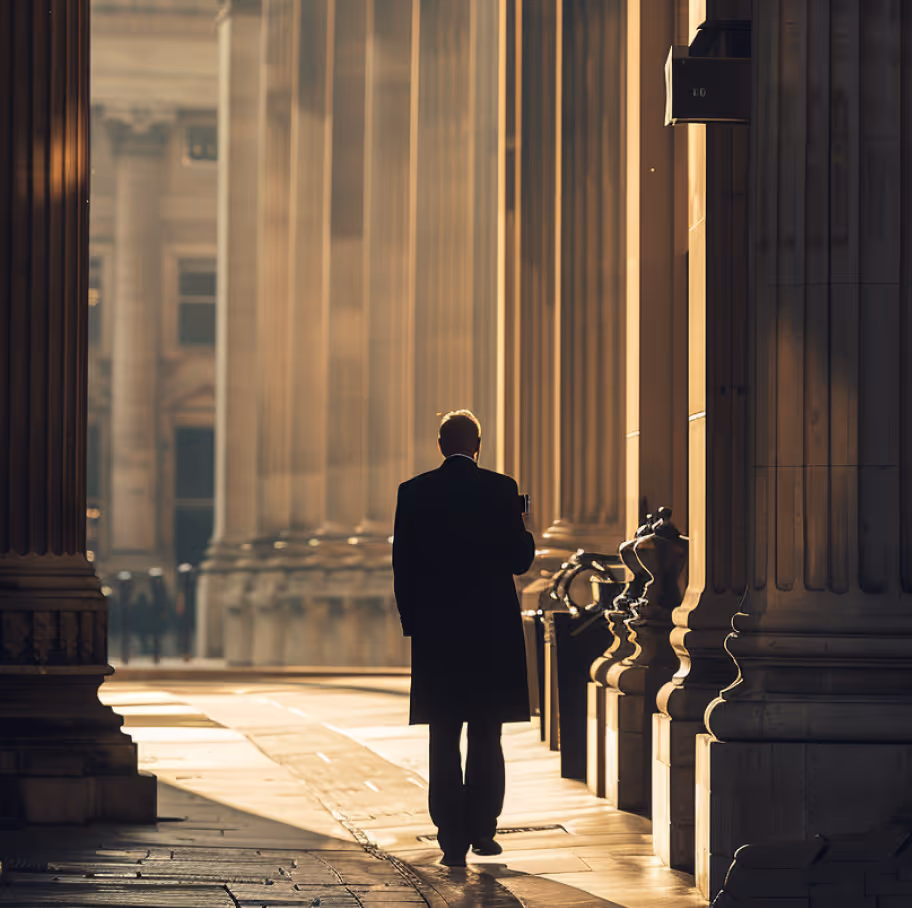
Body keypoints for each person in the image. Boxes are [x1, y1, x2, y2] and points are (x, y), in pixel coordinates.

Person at [392, 409, 535, 868]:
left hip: (438, 634)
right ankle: (483, 829)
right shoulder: (501, 489)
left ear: (439, 445)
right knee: (485, 733)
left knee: (443, 733)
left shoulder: (413, 493)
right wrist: (523, 525)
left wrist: (412, 622)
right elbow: (519, 560)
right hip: (491, 632)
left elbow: (403, 567)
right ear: (478, 445)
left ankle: (449, 836)